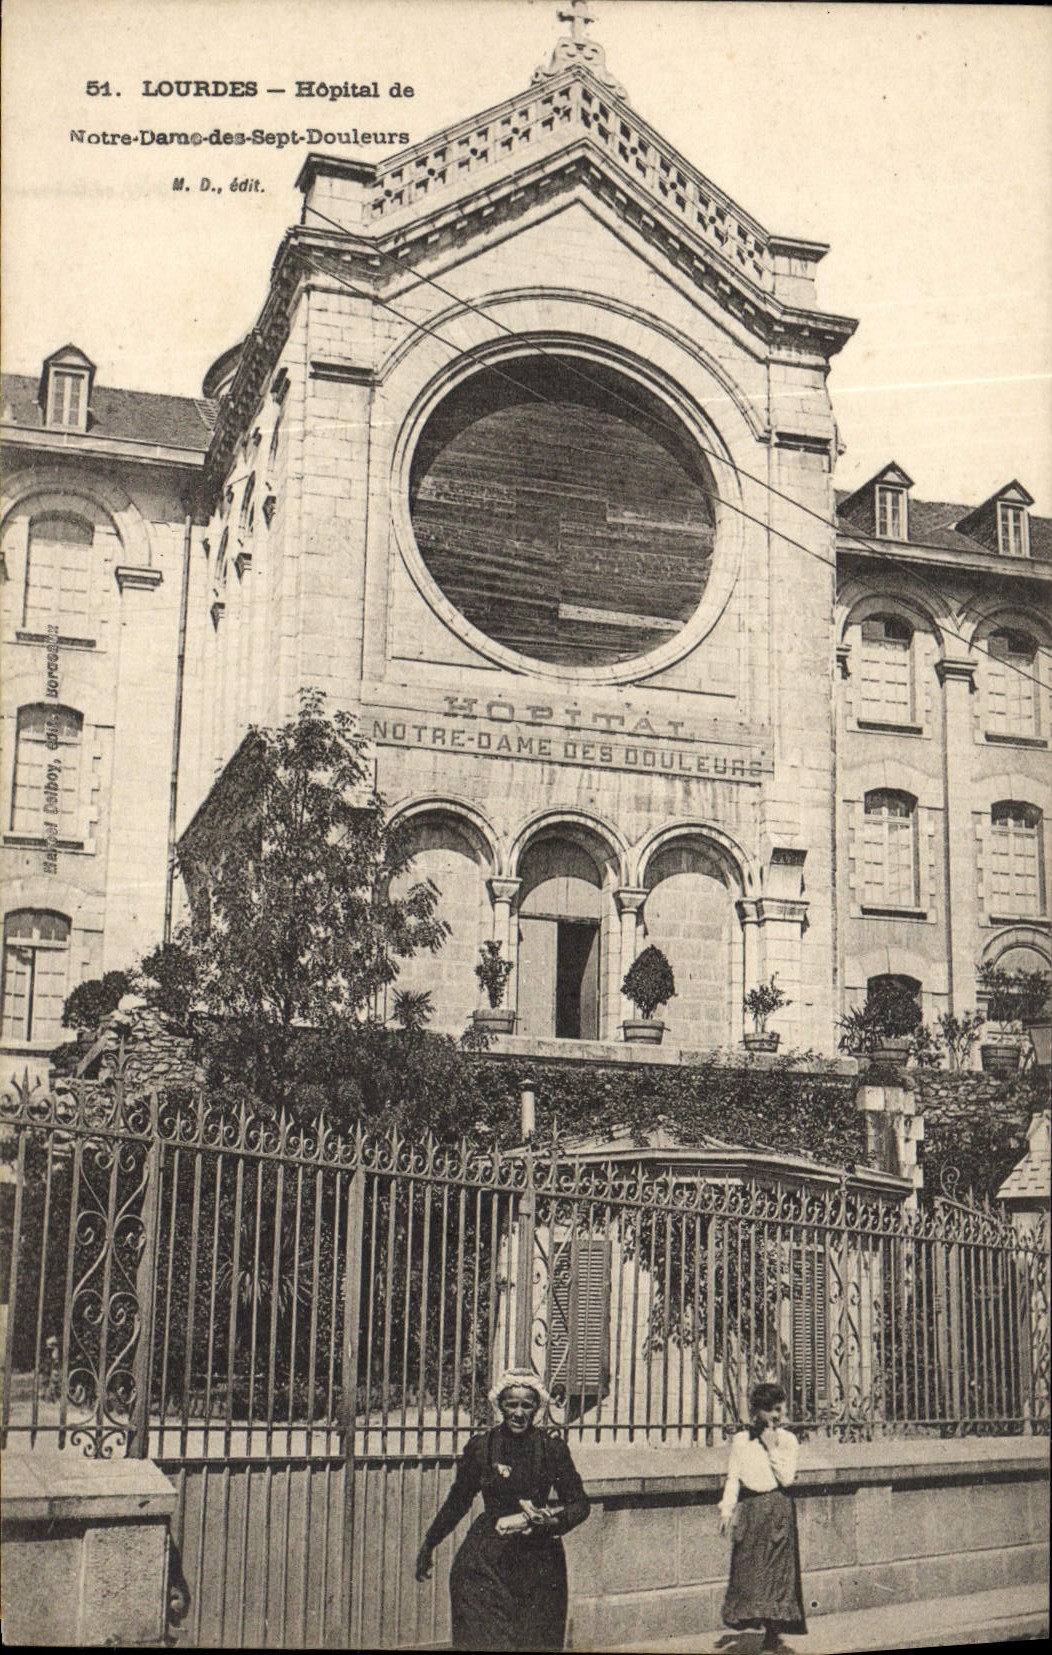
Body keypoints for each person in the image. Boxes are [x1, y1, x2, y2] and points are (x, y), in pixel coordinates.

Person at [415, 1368, 590, 1652]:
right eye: (511, 1404)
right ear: (499, 1406)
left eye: (527, 1405)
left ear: (537, 1408)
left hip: (539, 1563)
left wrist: (551, 1522)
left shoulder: (551, 1449)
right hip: (487, 1560)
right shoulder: (481, 1448)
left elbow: (580, 1504)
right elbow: (458, 1500)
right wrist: (430, 1543)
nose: (519, 1413)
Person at [718, 1382, 806, 1653]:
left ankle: (773, 1631)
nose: (778, 1415)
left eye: (781, 1408)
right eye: (771, 1410)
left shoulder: (788, 1441)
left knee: (777, 1572)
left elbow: (787, 1479)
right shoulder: (741, 1441)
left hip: (778, 1508)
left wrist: (772, 1448)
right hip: (752, 1510)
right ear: (757, 1411)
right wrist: (726, 1510)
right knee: (751, 1571)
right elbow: (733, 1477)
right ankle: (756, 1621)